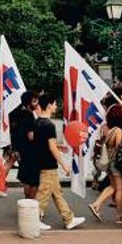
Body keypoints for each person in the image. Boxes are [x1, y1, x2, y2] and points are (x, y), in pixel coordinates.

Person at [33, 92, 85, 230]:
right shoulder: (49, 125)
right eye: (55, 103)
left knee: (57, 193)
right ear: (49, 105)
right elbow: (51, 147)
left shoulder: (37, 122)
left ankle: (69, 218)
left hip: (41, 161)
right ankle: (34, 219)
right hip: (48, 163)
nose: (56, 106)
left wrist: (57, 145)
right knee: (44, 193)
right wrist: (64, 165)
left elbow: (41, 143)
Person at [88, 102, 122, 223]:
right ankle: (120, 216)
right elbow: (119, 149)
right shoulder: (118, 131)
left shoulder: (109, 130)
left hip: (109, 163)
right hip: (116, 163)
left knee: (112, 186)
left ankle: (96, 204)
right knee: (120, 189)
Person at [9, 91, 41, 213]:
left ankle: (26, 202)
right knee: (34, 180)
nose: (37, 103)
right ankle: (31, 203)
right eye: (34, 101)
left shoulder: (16, 113)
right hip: (31, 151)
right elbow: (31, 136)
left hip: (21, 150)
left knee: (27, 179)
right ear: (29, 102)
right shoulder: (28, 115)